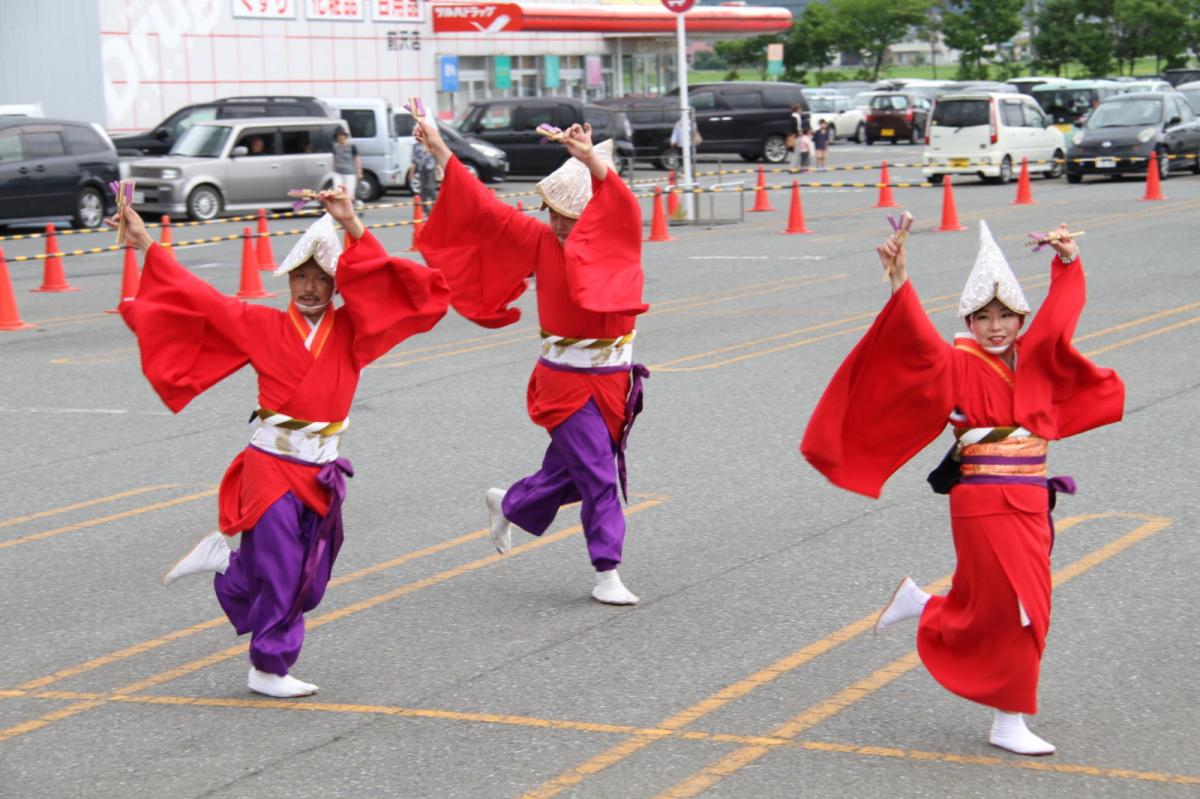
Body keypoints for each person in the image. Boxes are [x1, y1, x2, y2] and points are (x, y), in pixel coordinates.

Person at [801, 221, 1124, 755]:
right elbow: (912, 339)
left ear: (1021, 319)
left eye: (1005, 316)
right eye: (983, 317)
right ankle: (1008, 719)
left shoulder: (1034, 356)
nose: (996, 327)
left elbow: (1062, 315)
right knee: (1018, 609)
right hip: (983, 501)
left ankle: (924, 607)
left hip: (1030, 499)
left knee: (1021, 607)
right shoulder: (956, 362)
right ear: (969, 320)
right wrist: (899, 278)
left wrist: (1067, 261)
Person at [113, 190, 450, 698]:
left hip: (323, 470)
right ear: (288, 279)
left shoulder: (355, 330)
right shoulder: (261, 324)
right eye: (300, 277)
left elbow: (408, 295)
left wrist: (353, 225)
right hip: (270, 465)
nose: (309, 288)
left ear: (338, 284)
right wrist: (144, 242)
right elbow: (199, 297)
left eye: (321, 278)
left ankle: (229, 566)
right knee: (284, 572)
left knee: (308, 581)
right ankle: (268, 666)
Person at [415, 119, 650, 605]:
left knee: (575, 473)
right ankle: (607, 571)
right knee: (599, 475)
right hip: (564, 381)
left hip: (614, 380)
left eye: (570, 215)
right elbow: (484, 207)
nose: (559, 224)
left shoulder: (618, 242)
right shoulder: (540, 241)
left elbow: (622, 207)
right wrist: (439, 149)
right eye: (554, 213)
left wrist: (590, 159)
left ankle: (510, 502)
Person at [331, 129, 363, 209]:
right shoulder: (335, 146)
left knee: (349, 192)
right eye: (338, 136)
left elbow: (357, 159)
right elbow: (334, 158)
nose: (340, 138)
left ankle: (350, 208)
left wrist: (359, 172)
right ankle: (339, 208)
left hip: (349, 172)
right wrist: (332, 169)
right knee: (337, 191)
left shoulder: (352, 147)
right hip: (337, 172)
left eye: (342, 136)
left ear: (345, 137)